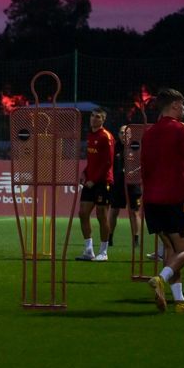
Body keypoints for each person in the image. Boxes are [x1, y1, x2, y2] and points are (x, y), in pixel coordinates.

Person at [139, 88, 184, 313]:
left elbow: (144, 168)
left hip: (152, 201)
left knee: (171, 250)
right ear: (173, 106)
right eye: (182, 106)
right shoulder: (182, 130)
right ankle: (160, 279)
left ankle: (179, 301)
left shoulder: (149, 133)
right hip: (173, 200)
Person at [76, 108, 114, 261]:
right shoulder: (90, 136)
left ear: (103, 120)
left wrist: (94, 179)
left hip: (103, 182)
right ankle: (88, 250)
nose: (93, 119)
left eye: (97, 117)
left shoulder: (106, 136)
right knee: (83, 214)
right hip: (90, 181)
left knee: (101, 215)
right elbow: (93, 161)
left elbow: (108, 162)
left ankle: (103, 252)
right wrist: (84, 173)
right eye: (92, 116)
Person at [108, 124, 142, 250]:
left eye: (126, 133)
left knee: (135, 212)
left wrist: (135, 171)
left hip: (133, 185)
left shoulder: (136, 146)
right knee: (114, 211)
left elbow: (142, 164)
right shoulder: (114, 147)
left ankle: (136, 239)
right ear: (118, 135)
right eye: (122, 133)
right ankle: (109, 237)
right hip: (117, 185)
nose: (124, 135)